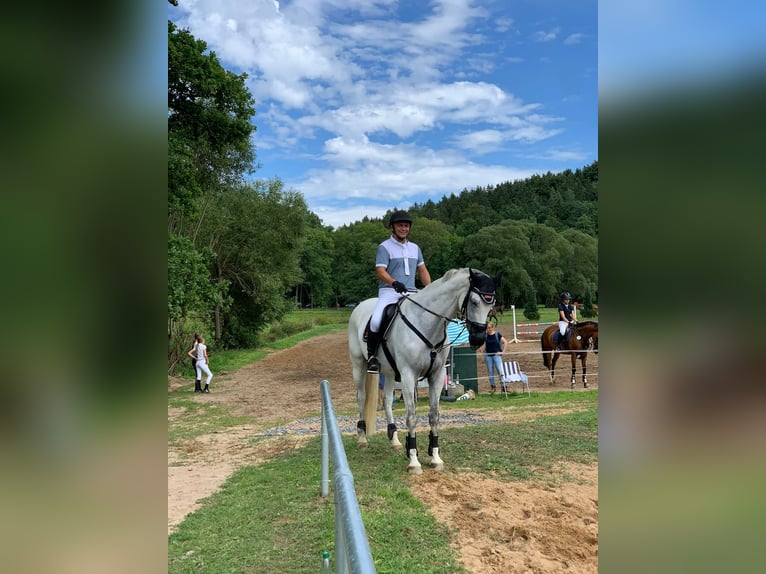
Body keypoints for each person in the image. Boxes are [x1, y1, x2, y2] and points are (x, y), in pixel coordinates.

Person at [367, 210, 432, 371]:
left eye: (406, 226)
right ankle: (372, 356)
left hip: (411, 292)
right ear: (392, 227)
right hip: (390, 292)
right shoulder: (384, 247)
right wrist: (394, 282)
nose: (403, 228)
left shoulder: (415, 248)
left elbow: (422, 270)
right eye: (400, 225)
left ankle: (432, 352)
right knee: (375, 320)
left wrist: (429, 289)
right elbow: (380, 271)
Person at [479, 322, 507, 392]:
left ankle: (503, 386)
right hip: (488, 355)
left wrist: (503, 352)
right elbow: (482, 344)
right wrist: (482, 349)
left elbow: (505, 342)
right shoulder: (485, 335)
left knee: (500, 371)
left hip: (496, 355)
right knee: (490, 371)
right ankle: (493, 386)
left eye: (489, 328)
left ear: (492, 328)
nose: (488, 330)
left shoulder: (497, 334)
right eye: (487, 328)